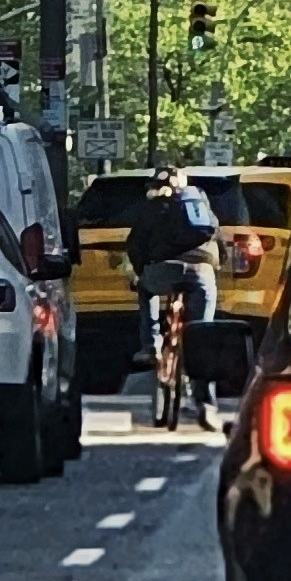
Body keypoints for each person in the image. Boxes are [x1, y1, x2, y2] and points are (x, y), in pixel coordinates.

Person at [128, 164, 223, 427]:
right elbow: (217, 236)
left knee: (145, 290)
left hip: (162, 271)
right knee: (201, 338)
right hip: (201, 271)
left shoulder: (152, 206)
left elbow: (135, 244)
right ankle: (206, 406)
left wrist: (141, 272)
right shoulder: (198, 201)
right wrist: (216, 266)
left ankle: (151, 344)